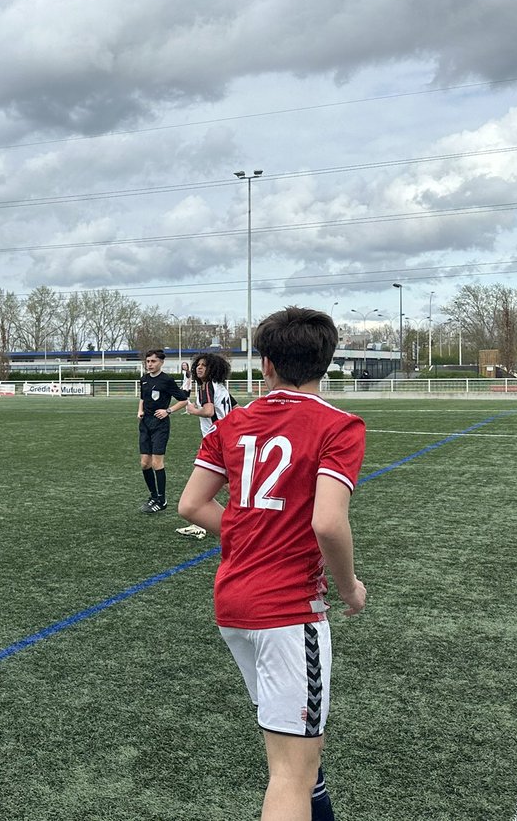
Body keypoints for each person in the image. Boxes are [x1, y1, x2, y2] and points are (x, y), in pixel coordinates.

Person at [177, 307, 366, 820]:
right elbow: (328, 522)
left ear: (266, 364)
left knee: (300, 755)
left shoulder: (233, 423)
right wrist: (349, 587)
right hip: (288, 610)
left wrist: (249, 534)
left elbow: (192, 505)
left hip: (233, 602)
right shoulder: (339, 426)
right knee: (290, 775)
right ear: (326, 362)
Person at [179, 352, 238, 539]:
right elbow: (236, 409)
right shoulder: (220, 387)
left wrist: (192, 410)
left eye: (204, 365)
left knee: (204, 485)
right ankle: (249, 509)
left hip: (215, 440)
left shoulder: (206, 386)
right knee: (227, 481)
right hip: (226, 438)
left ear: (213, 369)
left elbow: (208, 411)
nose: (199, 368)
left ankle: (201, 524)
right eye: (198, 365)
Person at [136, 348, 189, 513]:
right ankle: (153, 496)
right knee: (145, 463)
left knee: (156, 463)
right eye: (148, 361)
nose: (150, 364)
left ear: (161, 362)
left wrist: (168, 410)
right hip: (145, 424)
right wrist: (140, 410)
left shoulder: (167, 380)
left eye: (153, 361)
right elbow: (142, 398)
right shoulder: (144, 379)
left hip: (160, 425)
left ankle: (162, 499)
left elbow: (184, 400)